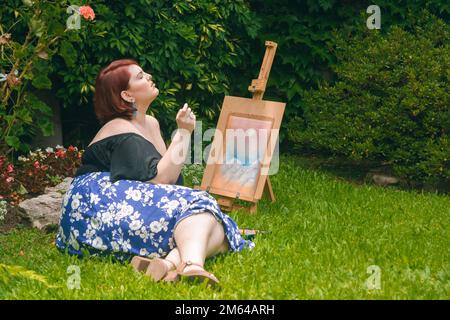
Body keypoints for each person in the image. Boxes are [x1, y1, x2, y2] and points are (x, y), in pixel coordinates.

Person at [55, 59, 254, 286]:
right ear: (127, 96)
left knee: (207, 220)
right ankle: (188, 263)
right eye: (140, 76)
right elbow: (162, 178)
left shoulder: (151, 123)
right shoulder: (119, 127)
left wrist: (184, 133)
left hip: (123, 203)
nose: (149, 76)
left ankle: (172, 265)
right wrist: (183, 133)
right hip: (93, 207)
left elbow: (170, 182)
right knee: (203, 209)